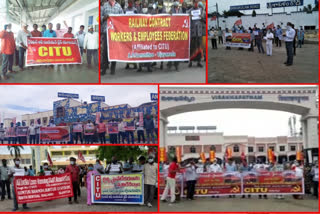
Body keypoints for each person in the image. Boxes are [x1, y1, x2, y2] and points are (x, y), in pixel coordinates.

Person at [101, 0, 124, 75]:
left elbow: (122, 17)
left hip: (115, 31)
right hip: (106, 31)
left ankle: (113, 68)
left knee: (115, 50)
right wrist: (104, 18)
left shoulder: (119, 6)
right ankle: (104, 68)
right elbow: (100, 17)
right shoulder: (105, 6)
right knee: (105, 51)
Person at [188, 0, 204, 68]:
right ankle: (190, 62)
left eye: (197, 2)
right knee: (192, 47)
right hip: (193, 32)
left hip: (199, 32)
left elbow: (204, 20)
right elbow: (185, 18)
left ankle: (199, 62)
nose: (196, 3)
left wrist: (201, 17)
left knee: (199, 47)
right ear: (193, 3)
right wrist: (189, 16)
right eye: (195, 2)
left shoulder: (201, 10)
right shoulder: (189, 11)